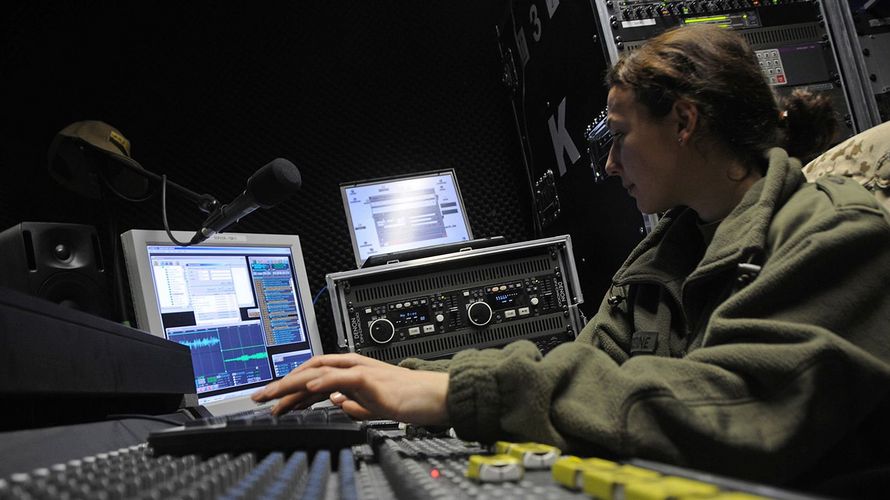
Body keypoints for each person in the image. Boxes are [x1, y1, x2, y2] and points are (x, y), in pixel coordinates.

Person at [253, 24, 890, 493]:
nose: (610, 164)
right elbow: (581, 367)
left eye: (618, 135)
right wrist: (409, 377)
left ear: (685, 121)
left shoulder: (838, 234)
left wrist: (455, 393)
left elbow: (735, 408)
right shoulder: (668, 251)